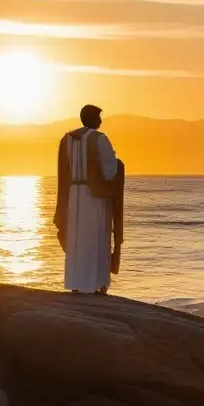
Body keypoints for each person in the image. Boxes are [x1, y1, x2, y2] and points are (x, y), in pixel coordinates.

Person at [53, 104, 124, 294]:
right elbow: (110, 170)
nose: (101, 120)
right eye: (99, 117)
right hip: (95, 195)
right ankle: (97, 284)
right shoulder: (99, 139)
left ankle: (76, 284)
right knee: (97, 238)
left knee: (77, 240)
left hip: (74, 195)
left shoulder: (67, 139)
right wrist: (118, 170)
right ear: (91, 118)